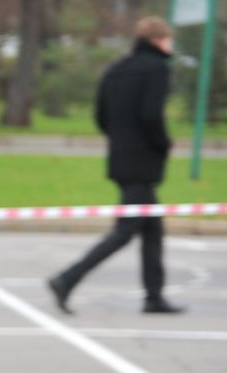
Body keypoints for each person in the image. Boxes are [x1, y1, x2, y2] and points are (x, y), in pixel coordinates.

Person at [47, 16, 185, 316]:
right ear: (157, 40)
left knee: (152, 229)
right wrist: (163, 144)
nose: (170, 45)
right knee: (126, 229)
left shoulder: (116, 69)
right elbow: (151, 115)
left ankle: (154, 296)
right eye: (168, 39)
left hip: (120, 157)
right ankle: (66, 279)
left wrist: (121, 139)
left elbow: (100, 116)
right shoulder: (157, 69)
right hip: (143, 160)